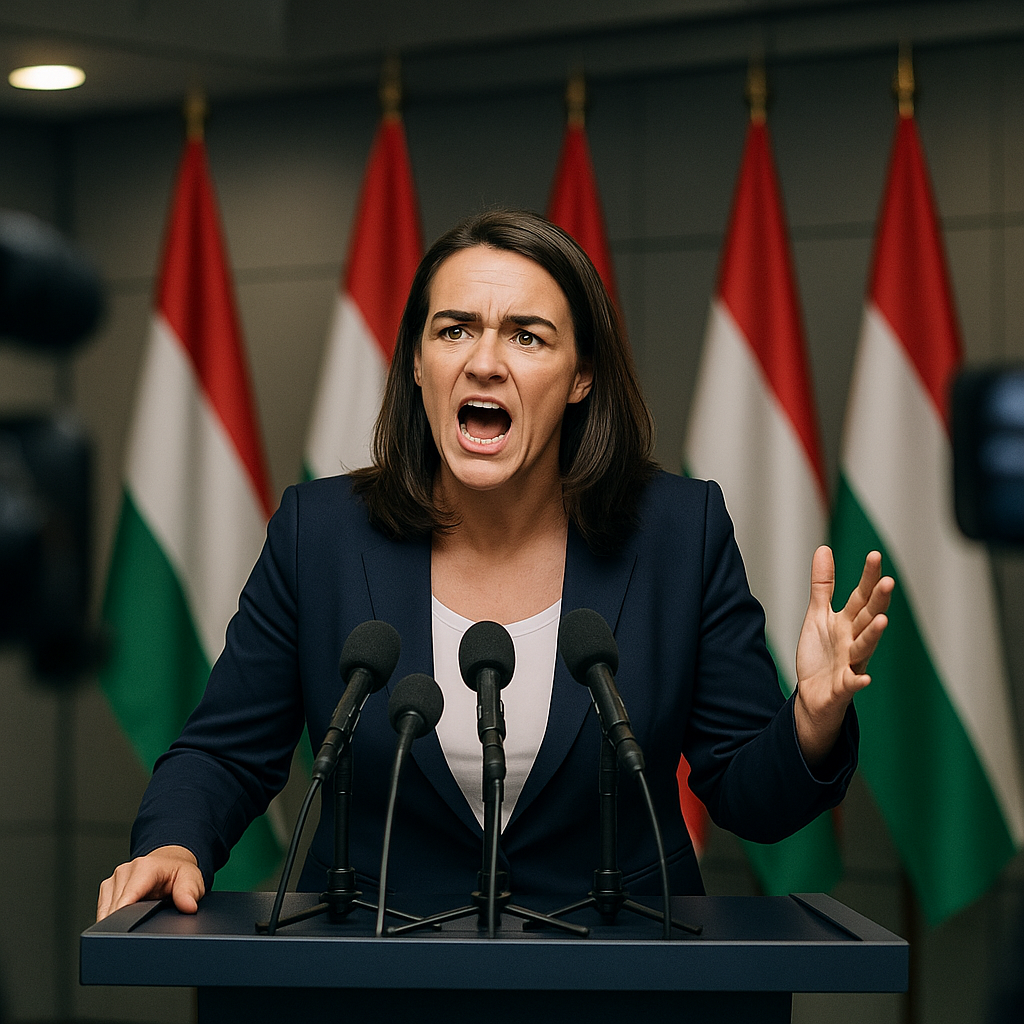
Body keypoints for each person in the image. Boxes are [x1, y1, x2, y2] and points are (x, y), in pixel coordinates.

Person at [96, 210, 892, 921]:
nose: (483, 361)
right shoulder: (322, 534)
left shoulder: (679, 533)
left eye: (526, 335)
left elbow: (750, 797)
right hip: (370, 976)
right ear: (417, 364)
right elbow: (225, 750)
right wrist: (173, 842)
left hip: (623, 979)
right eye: (454, 330)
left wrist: (810, 723)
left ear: (581, 376)